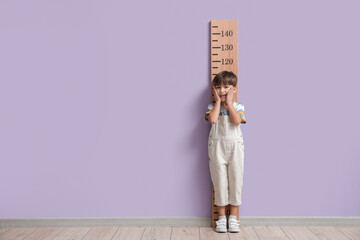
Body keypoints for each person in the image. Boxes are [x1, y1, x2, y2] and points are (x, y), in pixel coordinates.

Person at [205, 71, 246, 233]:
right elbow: (213, 120)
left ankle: (234, 218)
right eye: (218, 87)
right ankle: (222, 218)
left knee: (236, 180)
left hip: (235, 147)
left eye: (226, 87)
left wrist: (229, 104)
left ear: (234, 89)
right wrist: (217, 102)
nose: (222, 90)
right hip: (217, 147)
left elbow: (237, 122)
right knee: (219, 181)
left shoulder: (239, 106)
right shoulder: (211, 107)